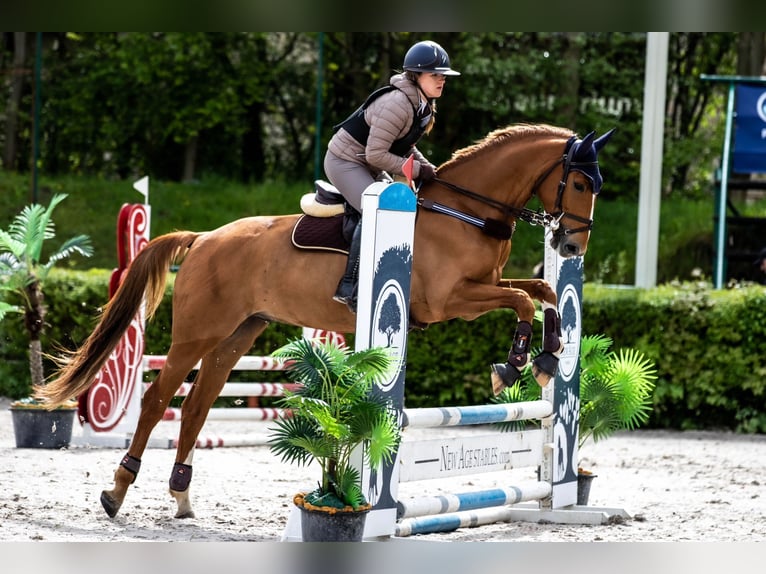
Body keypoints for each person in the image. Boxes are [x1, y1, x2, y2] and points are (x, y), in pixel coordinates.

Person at [324, 40, 460, 311]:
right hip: (345, 161)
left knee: (404, 208)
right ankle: (350, 287)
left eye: (443, 75)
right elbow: (376, 155)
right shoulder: (398, 103)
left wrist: (427, 166)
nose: (441, 80)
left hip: (367, 163)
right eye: (435, 74)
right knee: (377, 210)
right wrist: (419, 170)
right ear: (416, 75)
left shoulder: (421, 104)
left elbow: (404, 145)